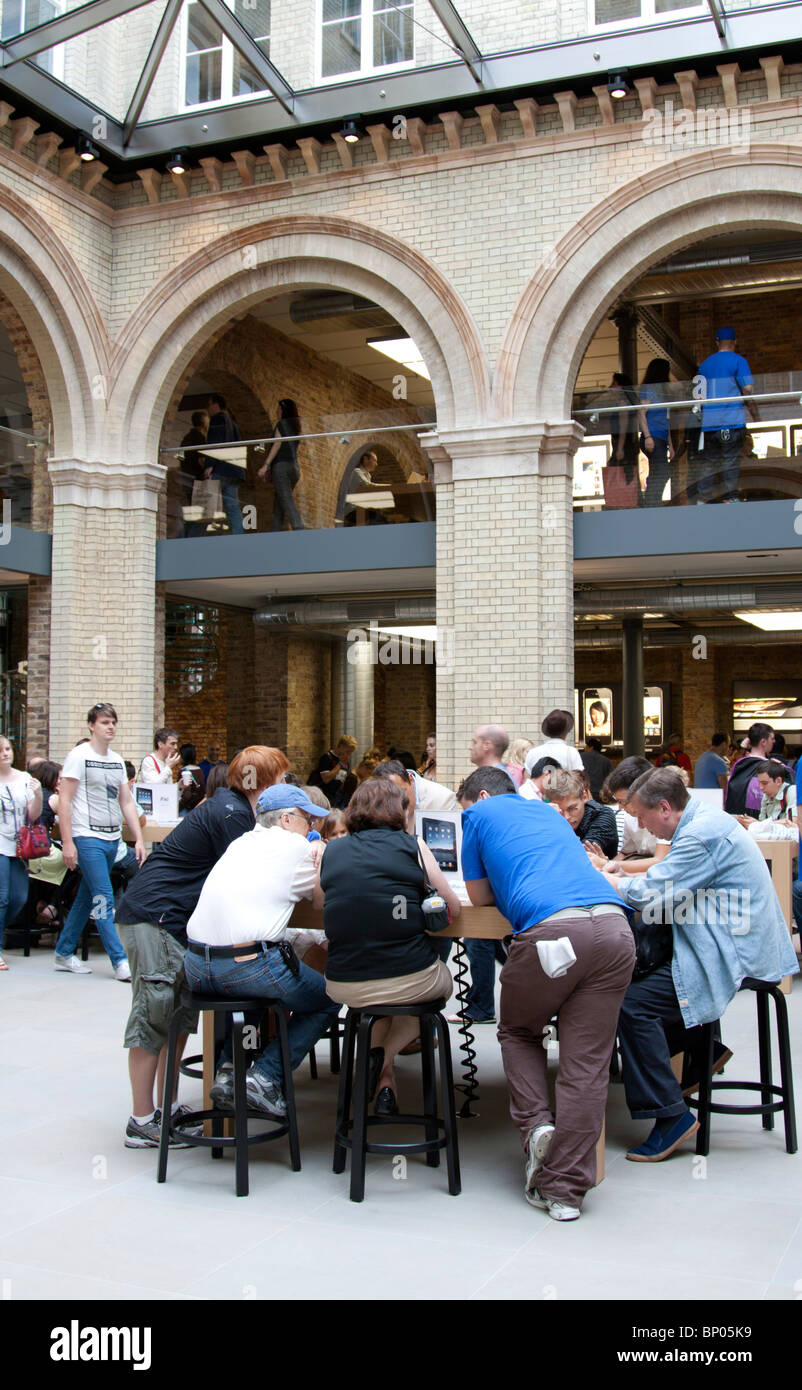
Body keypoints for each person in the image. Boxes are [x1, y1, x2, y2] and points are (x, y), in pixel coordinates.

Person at [459, 766, 635, 1220]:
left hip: (552, 931)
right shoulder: (551, 814)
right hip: (615, 928)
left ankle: (538, 1128)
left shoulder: (477, 816)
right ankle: (563, 1192)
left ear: (478, 797)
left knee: (519, 1030)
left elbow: (478, 899)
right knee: (587, 1064)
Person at [609, 768, 798, 1161]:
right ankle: (700, 1054)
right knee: (642, 981)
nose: (641, 824)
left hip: (737, 948)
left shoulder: (700, 833)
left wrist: (609, 882)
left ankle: (671, 1116)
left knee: (632, 1003)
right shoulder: (704, 820)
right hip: (730, 934)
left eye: (642, 816)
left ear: (664, 807)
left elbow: (652, 892)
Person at [116, 745, 289, 1147]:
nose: (284, 783)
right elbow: (251, 872)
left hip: (172, 921)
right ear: (259, 782)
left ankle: (166, 1108)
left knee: (174, 1019)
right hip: (155, 916)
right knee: (153, 1017)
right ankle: (141, 1119)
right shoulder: (232, 813)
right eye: (279, 777)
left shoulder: (235, 809)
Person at [184, 783, 336, 1119]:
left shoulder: (239, 843)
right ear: (286, 819)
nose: (312, 829)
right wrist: (322, 857)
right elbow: (323, 905)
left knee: (259, 996)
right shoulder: (295, 847)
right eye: (308, 821)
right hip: (246, 966)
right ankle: (266, 1077)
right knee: (330, 998)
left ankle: (228, 1070)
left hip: (195, 966)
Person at [320, 778, 460, 1114]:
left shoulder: (333, 850)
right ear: (401, 811)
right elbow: (452, 908)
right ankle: (382, 1057)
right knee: (434, 991)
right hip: (407, 977)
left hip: (343, 981)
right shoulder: (413, 846)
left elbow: (318, 902)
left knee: (377, 1004)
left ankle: (384, 1078)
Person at [52, 704, 145, 980]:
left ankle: (63, 951)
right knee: (103, 896)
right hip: (86, 836)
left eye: (113, 722)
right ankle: (119, 960)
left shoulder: (116, 760)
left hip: (110, 837)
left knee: (86, 896)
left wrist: (138, 838)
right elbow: (65, 800)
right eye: (105, 722)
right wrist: (68, 842)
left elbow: (126, 801)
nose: (111, 727)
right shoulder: (78, 756)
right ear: (91, 725)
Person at [695, 327, 758, 504]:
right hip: (732, 421)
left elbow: (698, 395)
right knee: (730, 461)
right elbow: (748, 389)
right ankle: (729, 498)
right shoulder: (739, 361)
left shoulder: (705, 365)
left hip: (709, 423)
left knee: (709, 462)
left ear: (716, 343)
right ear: (734, 342)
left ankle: (703, 498)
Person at [0, 734, 42, 970]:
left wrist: (37, 795)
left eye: (8, 748)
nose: (6, 753)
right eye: (1, 750)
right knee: (2, 897)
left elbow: (33, 815)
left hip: (19, 845)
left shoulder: (24, 778)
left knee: (19, 897)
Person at [547, 769, 619, 860]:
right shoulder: (548, 818)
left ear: (584, 797)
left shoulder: (601, 814)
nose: (566, 817)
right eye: (560, 811)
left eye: (572, 808)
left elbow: (578, 856)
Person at [257, 398, 305, 531]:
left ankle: (299, 529)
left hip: (281, 467)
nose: (276, 411)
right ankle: (276, 531)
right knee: (280, 502)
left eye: (278, 408)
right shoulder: (297, 426)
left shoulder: (281, 424)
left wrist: (266, 465)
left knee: (287, 501)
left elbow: (277, 444)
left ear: (283, 410)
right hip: (294, 468)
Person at [203, 393, 243, 535]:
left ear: (216, 405)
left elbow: (215, 443)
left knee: (208, 505)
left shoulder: (217, 419)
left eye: (209, 404)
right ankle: (239, 535)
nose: (207, 408)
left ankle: (201, 537)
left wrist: (209, 464)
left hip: (220, 469)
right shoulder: (233, 424)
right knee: (232, 506)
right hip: (234, 471)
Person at [638, 358, 674, 507]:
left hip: (661, 438)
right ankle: (652, 503)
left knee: (660, 471)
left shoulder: (663, 392)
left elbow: (667, 421)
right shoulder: (650, 390)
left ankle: (653, 502)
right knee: (662, 471)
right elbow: (641, 413)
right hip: (652, 436)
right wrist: (648, 437)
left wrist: (670, 446)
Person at [603, 371, 640, 509]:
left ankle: (620, 505)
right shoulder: (626, 403)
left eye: (614, 384)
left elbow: (623, 426)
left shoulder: (623, 403)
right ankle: (625, 504)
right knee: (626, 479)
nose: (611, 387)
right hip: (626, 448)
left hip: (623, 448)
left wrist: (619, 448)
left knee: (623, 478)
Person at [724, 721, 775, 816]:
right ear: (763, 742)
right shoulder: (771, 767)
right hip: (759, 820)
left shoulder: (739, 765)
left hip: (737, 818)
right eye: (772, 738)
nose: (774, 741)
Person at [178, 409, 209, 538]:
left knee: (193, 511)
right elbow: (201, 459)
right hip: (197, 480)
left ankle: (186, 537)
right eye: (207, 419)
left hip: (187, 479)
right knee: (202, 513)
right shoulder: (199, 437)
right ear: (203, 422)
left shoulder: (188, 437)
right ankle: (193, 539)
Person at [342, 449, 389, 526]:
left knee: (381, 518)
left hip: (361, 508)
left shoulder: (368, 475)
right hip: (353, 509)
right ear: (365, 459)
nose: (376, 464)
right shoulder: (357, 471)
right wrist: (388, 487)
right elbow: (368, 486)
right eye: (374, 460)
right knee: (380, 519)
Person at [309, 736, 358, 810]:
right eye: (347, 751)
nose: (348, 755)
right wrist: (340, 764)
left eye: (350, 753)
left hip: (338, 798)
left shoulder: (346, 761)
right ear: (341, 746)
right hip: (325, 796)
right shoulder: (327, 758)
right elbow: (326, 779)